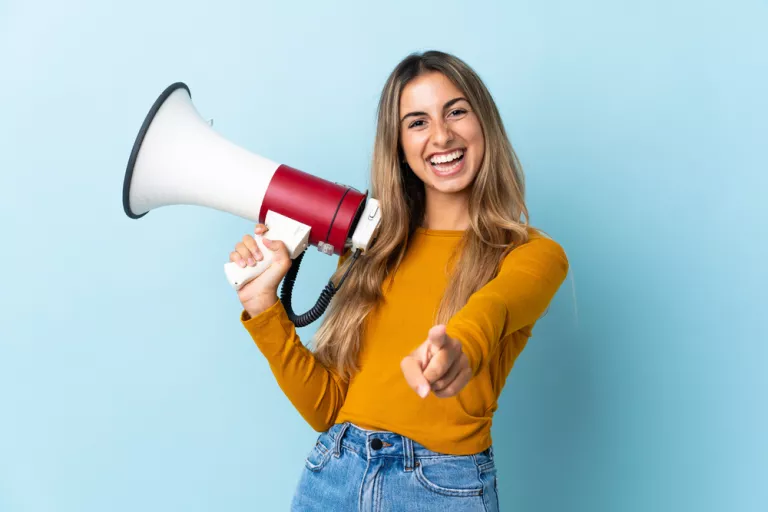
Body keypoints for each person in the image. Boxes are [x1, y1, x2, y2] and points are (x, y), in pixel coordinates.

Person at [228, 50, 569, 511]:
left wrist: (458, 347)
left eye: (456, 111)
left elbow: (494, 309)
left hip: (441, 487)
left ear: (483, 121)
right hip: (334, 475)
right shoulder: (369, 250)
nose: (441, 135)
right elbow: (325, 409)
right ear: (400, 146)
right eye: (417, 122)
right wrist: (264, 307)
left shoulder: (533, 254)